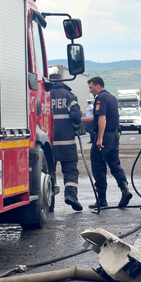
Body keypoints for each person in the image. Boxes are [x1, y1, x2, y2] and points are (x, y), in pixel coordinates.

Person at [81, 76, 132, 209]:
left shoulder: (100, 98)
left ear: (98, 86)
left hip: (105, 136)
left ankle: (102, 199)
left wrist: (99, 139)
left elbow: (102, 119)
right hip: (114, 135)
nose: (90, 90)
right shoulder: (111, 97)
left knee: (98, 166)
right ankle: (125, 189)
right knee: (115, 164)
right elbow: (96, 117)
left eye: (91, 87)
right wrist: (82, 120)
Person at [49, 70, 83, 211]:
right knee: (70, 170)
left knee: (48, 173)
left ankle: (49, 203)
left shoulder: (44, 96)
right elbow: (76, 115)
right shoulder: (69, 96)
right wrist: (75, 127)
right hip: (66, 142)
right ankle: (71, 196)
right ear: (62, 82)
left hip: (48, 144)